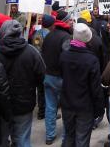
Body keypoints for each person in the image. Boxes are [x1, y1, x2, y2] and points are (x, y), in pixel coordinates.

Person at [0, 20, 45, 147]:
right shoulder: (31, 51)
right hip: (24, 102)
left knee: (2, 139)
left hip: (1, 103)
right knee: (22, 139)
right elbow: (41, 75)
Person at [60, 23, 105, 147]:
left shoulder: (64, 56)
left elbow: (62, 77)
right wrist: (100, 108)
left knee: (69, 136)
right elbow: (96, 88)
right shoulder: (91, 60)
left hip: (67, 103)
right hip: (85, 106)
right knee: (82, 139)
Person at [42, 10, 72, 145]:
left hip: (48, 76)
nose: (72, 22)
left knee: (50, 106)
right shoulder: (66, 37)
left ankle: (50, 135)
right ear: (65, 21)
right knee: (66, 108)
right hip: (61, 78)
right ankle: (66, 137)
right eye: (70, 20)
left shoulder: (48, 36)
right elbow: (67, 59)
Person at [32, 14, 55, 120]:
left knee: (41, 90)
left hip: (38, 66)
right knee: (49, 92)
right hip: (48, 67)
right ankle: (49, 113)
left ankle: (41, 111)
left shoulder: (36, 34)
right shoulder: (50, 36)